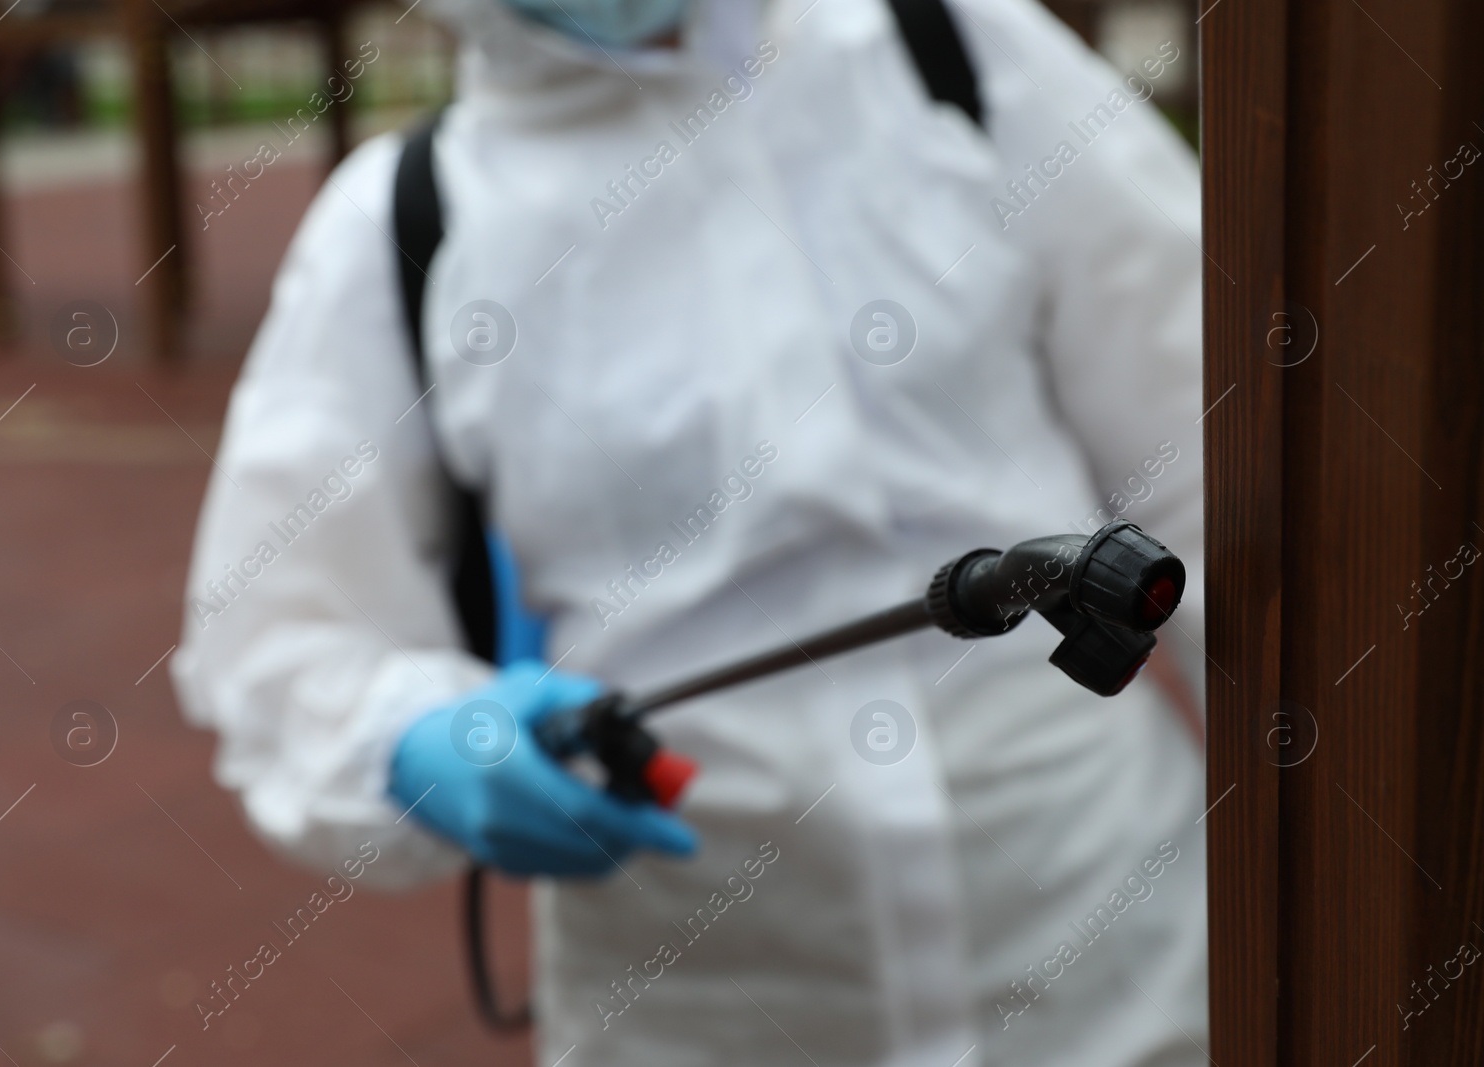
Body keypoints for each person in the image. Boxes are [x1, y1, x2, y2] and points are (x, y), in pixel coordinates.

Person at [172, 0, 1208, 1064]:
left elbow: (1214, 460)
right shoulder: (405, 221)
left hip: (1122, 964)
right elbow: (278, 642)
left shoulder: (954, 47)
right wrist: (416, 735)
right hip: (690, 1004)